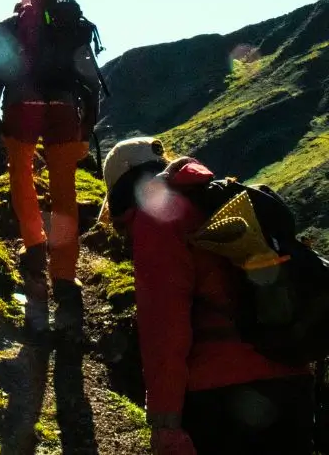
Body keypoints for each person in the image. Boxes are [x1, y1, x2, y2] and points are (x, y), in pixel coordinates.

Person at [102, 136, 314, 455]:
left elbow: (164, 325)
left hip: (225, 396)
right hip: (291, 380)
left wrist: (165, 423)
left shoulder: (156, 216)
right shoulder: (213, 199)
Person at [0, 0, 101, 338]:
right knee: (64, 193)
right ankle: (65, 275)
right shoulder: (73, 26)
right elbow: (90, 83)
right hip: (63, 111)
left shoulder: (10, 25)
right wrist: (85, 132)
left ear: (25, 4)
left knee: (21, 176)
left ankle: (33, 245)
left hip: (21, 107)